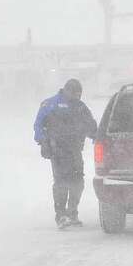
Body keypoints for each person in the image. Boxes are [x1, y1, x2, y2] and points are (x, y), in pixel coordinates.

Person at [33, 78, 98, 228]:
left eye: (79, 95)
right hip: (57, 150)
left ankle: (72, 213)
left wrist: (98, 138)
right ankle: (61, 215)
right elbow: (38, 125)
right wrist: (43, 142)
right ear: (67, 90)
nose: (77, 97)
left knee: (78, 182)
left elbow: (90, 125)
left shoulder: (80, 107)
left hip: (75, 149)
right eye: (75, 94)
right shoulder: (50, 104)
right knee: (61, 182)